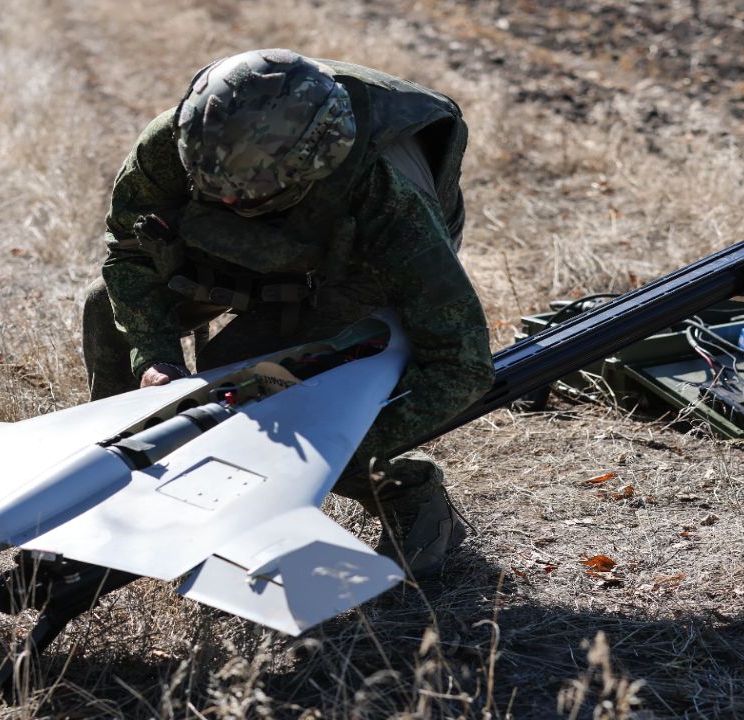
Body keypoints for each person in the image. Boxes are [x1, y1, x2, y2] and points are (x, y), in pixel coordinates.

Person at [83, 48, 493, 578]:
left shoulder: (385, 198)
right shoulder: (176, 143)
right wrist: (153, 358)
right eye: (212, 190)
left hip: (355, 268)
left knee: (251, 392)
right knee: (105, 310)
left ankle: (408, 495)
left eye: (245, 197)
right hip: (250, 253)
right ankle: (117, 473)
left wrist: (334, 443)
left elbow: (463, 362)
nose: (225, 202)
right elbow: (130, 253)